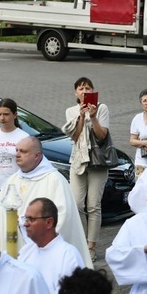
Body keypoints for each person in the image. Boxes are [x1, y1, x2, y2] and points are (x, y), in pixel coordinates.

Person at [0, 136, 91, 267]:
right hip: (16, 248)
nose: (17, 154)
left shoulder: (55, 181)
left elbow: (63, 217)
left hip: (47, 255)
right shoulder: (13, 179)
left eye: (23, 151)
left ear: (37, 155)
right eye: (17, 150)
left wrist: (25, 225)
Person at [19, 198, 85, 294]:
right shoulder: (26, 252)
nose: (25, 224)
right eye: (26, 218)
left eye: (31, 219)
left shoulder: (68, 255)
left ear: (49, 222)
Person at [61, 77, 110, 263]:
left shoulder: (102, 108)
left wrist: (94, 116)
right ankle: (80, 241)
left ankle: (91, 246)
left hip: (97, 162)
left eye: (88, 88)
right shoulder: (71, 111)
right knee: (77, 204)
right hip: (78, 161)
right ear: (75, 92)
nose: (84, 91)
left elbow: (102, 135)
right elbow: (74, 137)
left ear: (93, 91)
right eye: (81, 88)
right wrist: (81, 116)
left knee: (93, 205)